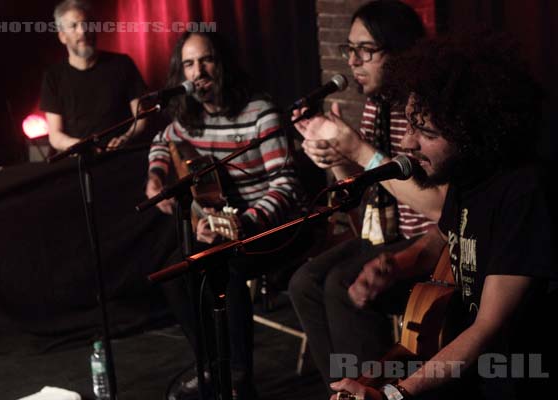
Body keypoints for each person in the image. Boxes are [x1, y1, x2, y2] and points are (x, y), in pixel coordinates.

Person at [330, 30, 557, 400]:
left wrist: (394, 394)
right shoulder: (467, 175)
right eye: (408, 124)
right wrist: (399, 263)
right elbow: (447, 235)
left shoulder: (524, 194)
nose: (407, 143)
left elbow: (488, 328)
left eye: (427, 132)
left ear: (475, 134)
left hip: (514, 375)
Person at [288, 0, 445, 390]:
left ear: (401, 52)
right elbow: (362, 197)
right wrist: (335, 159)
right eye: (349, 50)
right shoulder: (377, 104)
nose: (354, 62)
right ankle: (341, 389)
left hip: (433, 243)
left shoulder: (427, 106)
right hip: (387, 233)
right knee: (304, 281)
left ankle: (371, 391)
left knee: (342, 283)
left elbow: (438, 205)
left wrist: (358, 149)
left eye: (366, 51)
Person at [146, 31, 302, 400]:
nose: (198, 71)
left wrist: (245, 222)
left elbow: (287, 182)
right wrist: (155, 175)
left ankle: (238, 379)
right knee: (173, 273)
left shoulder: (260, 112)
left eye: (206, 60)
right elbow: (161, 141)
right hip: (223, 228)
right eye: (188, 64)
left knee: (223, 269)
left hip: (269, 225)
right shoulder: (188, 115)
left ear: (223, 64)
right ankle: (210, 366)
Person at [40, 0, 147, 152]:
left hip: (124, 155)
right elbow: (55, 136)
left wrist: (126, 137)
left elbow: (141, 117)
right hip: (80, 164)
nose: (83, 31)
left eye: (86, 24)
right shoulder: (53, 77)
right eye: (74, 26)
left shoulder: (123, 64)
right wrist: (84, 147)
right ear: (62, 36)